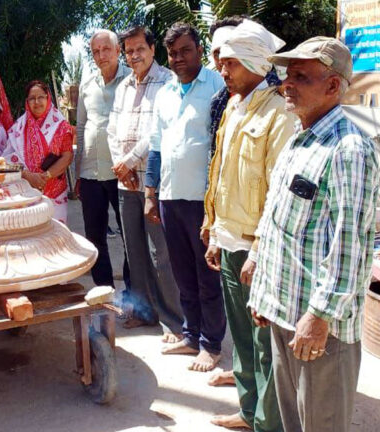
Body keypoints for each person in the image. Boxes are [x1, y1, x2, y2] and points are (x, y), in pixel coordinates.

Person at [248, 37, 378, 432]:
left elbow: (351, 245)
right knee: (293, 423)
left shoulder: (349, 148)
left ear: (333, 86)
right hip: (286, 313)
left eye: (301, 77)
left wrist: (318, 317)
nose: (287, 84)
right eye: (288, 75)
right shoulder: (299, 138)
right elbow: (277, 218)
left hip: (321, 327)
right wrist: (262, 286)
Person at [202, 22, 294, 431]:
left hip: (259, 247)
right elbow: (219, 172)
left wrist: (258, 249)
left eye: (231, 63)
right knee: (240, 337)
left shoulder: (279, 112)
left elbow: (278, 190)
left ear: (257, 63)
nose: (223, 70)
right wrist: (212, 226)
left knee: (264, 345)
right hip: (228, 237)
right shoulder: (234, 106)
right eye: (222, 62)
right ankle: (246, 409)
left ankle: (265, 423)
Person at [144, 22, 226, 372]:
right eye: (172, 53)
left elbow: (223, 146)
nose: (178, 58)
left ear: (199, 50)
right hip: (170, 196)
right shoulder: (164, 93)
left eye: (185, 51)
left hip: (202, 200)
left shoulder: (217, 86)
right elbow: (156, 147)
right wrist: (150, 193)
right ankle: (190, 336)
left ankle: (212, 344)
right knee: (181, 273)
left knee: (207, 274)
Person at [107, 26, 182, 336]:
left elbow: (159, 131)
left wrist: (130, 162)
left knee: (160, 253)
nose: (134, 55)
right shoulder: (124, 85)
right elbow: (112, 129)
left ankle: (173, 321)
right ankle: (144, 312)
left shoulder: (168, 82)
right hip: (126, 182)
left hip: (154, 181)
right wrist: (120, 165)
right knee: (134, 250)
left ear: (153, 50)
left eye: (139, 49)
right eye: (129, 50)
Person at [75, 29, 130, 288]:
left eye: (106, 49)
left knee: (130, 238)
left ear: (118, 50)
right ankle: (105, 294)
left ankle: (132, 296)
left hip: (123, 173)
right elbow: (81, 128)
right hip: (91, 175)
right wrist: (78, 173)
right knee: (95, 238)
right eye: (96, 51)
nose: (101, 56)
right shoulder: (87, 84)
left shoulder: (132, 80)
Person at [208, 17, 282, 159]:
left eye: (230, 59)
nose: (221, 62)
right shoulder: (219, 102)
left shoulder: (283, 93)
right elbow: (215, 155)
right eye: (217, 54)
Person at [3, 81, 74, 222]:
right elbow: (6, 160)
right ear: (27, 102)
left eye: (41, 97)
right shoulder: (19, 127)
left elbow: (67, 157)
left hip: (56, 193)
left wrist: (45, 176)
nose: (37, 102)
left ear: (48, 98)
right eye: (32, 98)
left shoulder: (61, 125)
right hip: (25, 192)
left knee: (55, 237)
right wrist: (28, 176)